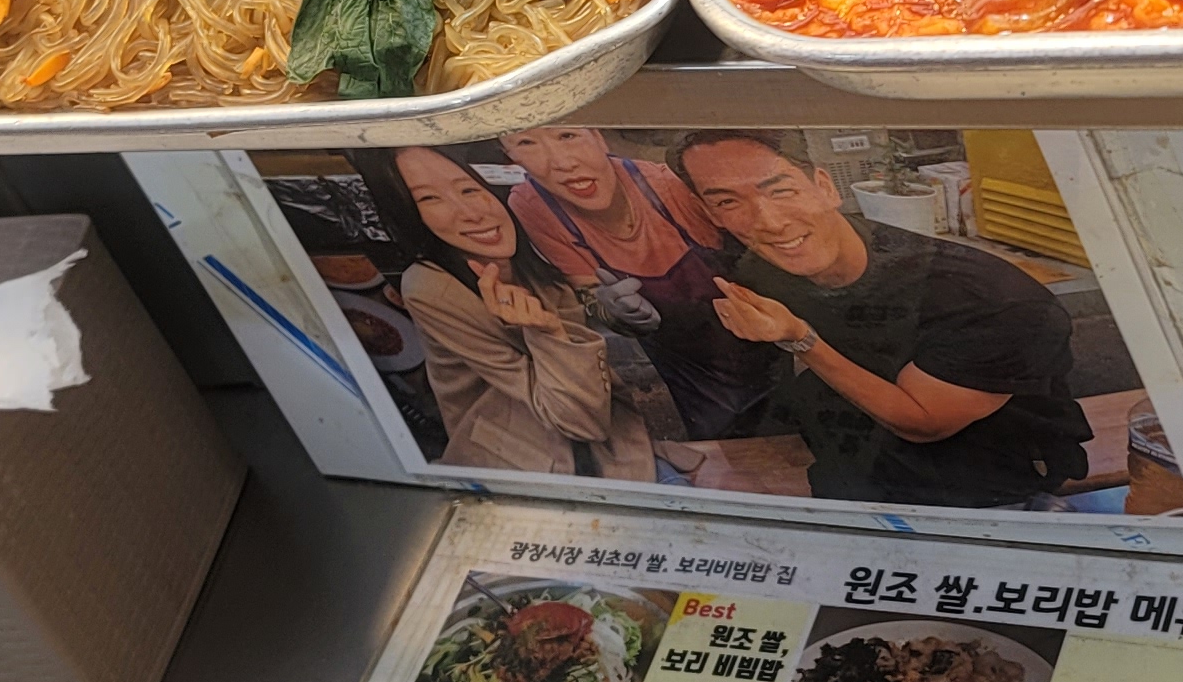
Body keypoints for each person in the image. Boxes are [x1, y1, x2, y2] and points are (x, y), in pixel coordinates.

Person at [672, 131, 1093, 508]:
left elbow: (923, 423)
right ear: (712, 214)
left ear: (825, 187)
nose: (769, 222)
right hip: (854, 467)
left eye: (782, 190)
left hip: (990, 481)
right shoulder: (761, 274)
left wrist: (800, 339)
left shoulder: (990, 300)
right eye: (728, 201)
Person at [499, 124, 802, 493]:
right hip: (686, 370)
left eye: (568, 136)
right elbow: (589, 291)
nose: (561, 162)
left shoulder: (666, 185)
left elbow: (757, 245)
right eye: (527, 143)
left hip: (765, 348)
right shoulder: (534, 206)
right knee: (732, 463)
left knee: (795, 443)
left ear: (598, 137)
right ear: (512, 158)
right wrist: (613, 311)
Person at [355, 145, 657, 481]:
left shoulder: (529, 250)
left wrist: (614, 311)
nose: (470, 213)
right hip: (526, 464)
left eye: (468, 189)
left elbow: (582, 312)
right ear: (408, 216)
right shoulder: (431, 287)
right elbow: (579, 420)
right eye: (430, 199)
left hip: (610, 443)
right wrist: (547, 332)